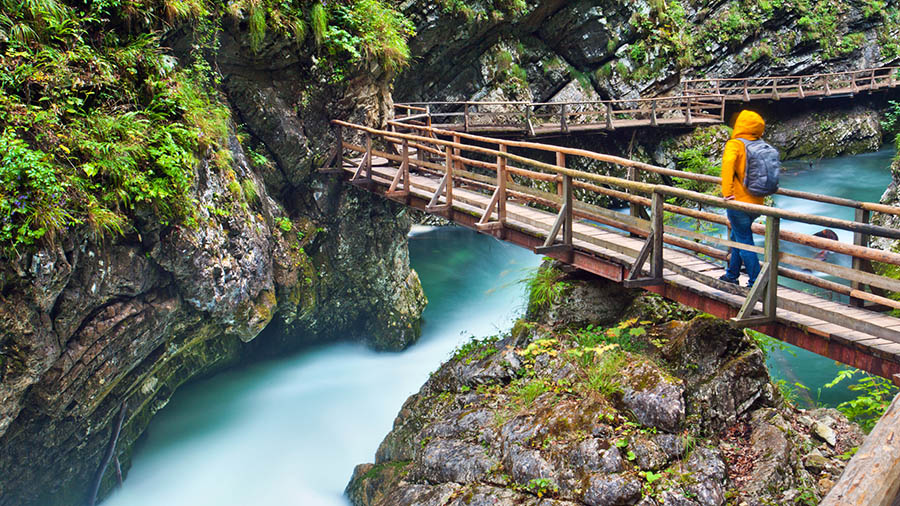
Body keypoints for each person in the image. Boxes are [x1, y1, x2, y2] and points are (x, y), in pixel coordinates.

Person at [719, 110, 767, 288]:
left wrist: (726, 193)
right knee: (737, 235)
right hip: (758, 203)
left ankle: (756, 281)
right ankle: (732, 274)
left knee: (744, 240)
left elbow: (727, 166)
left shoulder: (736, 144)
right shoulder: (760, 144)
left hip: (738, 202)